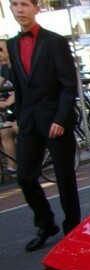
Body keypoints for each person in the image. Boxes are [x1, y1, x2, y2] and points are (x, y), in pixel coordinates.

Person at [7, 0, 81, 251]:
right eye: (14, 4)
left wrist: (60, 118)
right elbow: (18, 86)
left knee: (64, 178)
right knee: (25, 176)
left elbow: (69, 85)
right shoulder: (11, 44)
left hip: (56, 120)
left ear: (36, 9)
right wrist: (17, 117)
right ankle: (45, 223)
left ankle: (73, 227)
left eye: (25, 4)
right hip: (28, 121)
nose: (19, 9)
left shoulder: (55, 41)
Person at [0, 38, 18, 175]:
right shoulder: (4, 69)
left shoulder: (19, 66)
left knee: (18, 128)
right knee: (5, 131)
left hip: (28, 104)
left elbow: (24, 88)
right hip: (15, 107)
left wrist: (7, 102)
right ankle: (12, 167)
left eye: (1, 50)